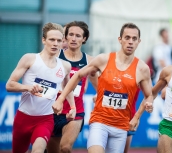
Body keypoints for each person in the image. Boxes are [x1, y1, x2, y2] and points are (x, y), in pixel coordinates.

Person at [57, 23, 153, 153]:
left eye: (134, 39)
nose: (130, 42)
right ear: (120, 39)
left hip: (121, 126)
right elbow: (79, 75)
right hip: (99, 122)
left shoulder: (142, 69)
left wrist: (137, 116)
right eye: (127, 37)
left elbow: (149, 95)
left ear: (139, 41)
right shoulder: (104, 59)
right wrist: (61, 98)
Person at [5, 23, 76, 153]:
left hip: (45, 119)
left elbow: (67, 88)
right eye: (52, 40)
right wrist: (28, 88)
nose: (55, 43)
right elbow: (10, 85)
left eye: (59, 41)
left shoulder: (65, 66)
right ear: (44, 40)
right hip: (23, 118)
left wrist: (72, 107)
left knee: (38, 150)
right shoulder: (29, 59)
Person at [47, 21, 98, 153]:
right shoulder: (55, 56)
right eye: (71, 35)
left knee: (65, 148)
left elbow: (97, 81)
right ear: (66, 37)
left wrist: (99, 93)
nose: (74, 38)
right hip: (52, 111)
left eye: (78, 35)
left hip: (75, 112)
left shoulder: (90, 61)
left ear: (84, 38)